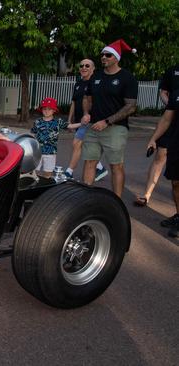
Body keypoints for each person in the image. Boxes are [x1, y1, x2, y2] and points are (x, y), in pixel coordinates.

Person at [81, 39, 138, 198]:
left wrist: (107, 121)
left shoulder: (127, 78)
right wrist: (86, 113)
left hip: (115, 129)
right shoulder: (96, 77)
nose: (104, 57)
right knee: (89, 162)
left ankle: (117, 202)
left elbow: (130, 106)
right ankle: (86, 198)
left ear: (116, 58)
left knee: (116, 166)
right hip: (94, 127)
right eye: (102, 55)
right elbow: (87, 97)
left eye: (108, 55)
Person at [133, 64, 179, 207]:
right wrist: (172, 104)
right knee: (160, 156)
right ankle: (147, 194)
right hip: (171, 119)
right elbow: (163, 92)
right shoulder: (172, 70)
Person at [64, 59, 108, 181]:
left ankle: (69, 172)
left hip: (90, 120)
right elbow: (73, 102)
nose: (84, 67)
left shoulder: (96, 84)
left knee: (77, 143)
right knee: (85, 146)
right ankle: (99, 168)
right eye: (81, 65)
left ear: (93, 69)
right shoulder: (78, 84)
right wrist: (69, 120)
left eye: (87, 66)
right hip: (79, 120)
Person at [145, 89, 179, 237]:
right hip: (176, 143)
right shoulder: (176, 92)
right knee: (176, 182)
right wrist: (154, 138)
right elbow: (166, 119)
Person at [31, 97, 81, 178]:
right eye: (44, 109)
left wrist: (81, 124)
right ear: (41, 110)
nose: (46, 111)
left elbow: (70, 126)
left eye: (49, 109)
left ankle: (46, 186)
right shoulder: (37, 122)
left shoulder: (58, 122)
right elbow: (33, 134)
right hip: (38, 151)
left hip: (51, 152)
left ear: (54, 110)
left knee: (48, 173)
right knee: (34, 171)